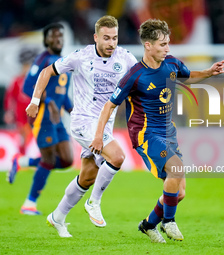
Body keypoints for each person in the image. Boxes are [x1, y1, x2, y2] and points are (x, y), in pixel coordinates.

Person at [89, 19, 224, 243]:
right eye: (162, 44)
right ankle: (168, 222)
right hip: (146, 135)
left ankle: (148, 224)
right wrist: (97, 136)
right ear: (148, 45)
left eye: (168, 43)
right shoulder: (134, 75)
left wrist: (209, 72)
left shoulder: (171, 63)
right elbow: (109, 105)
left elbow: (188, 76)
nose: (167, 48)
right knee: (176, 170)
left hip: (168, 132)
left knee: (178, 193)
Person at [26, 15, 137, 237]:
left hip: (105, 126)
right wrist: (35, 101)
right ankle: (94, 202)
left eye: (114, 38)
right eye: (106, 38)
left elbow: (140, 81)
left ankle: (57, 217)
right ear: (96, 37)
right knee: (117, 157)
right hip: (83, 122)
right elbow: (47, 71)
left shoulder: (125, 58)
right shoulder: (81, 57)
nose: (111, 43)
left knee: (87, 177)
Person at [14, 23, 74, 215]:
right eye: (54, 36)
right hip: (43, 118)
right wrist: (46, 101)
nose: (58, 39)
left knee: (66, 160)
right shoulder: (42, 60)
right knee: (48, 160)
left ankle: (24, 162)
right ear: (46, 40)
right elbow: (27, 87)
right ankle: (29, 204)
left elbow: (62, 93)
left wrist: (75, 111)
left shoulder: (64, 63)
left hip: (58, 119)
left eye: (60, 36)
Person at [4, 48, 37, 156]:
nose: (26, 69)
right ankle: (22, 154)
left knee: (33, 133)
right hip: (20, 112)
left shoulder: (34, 80)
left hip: (32, 112)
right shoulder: (17, 80)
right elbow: (10, 97)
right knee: (24, 133)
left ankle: (26, 154)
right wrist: (9, 112)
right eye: (25, 67)